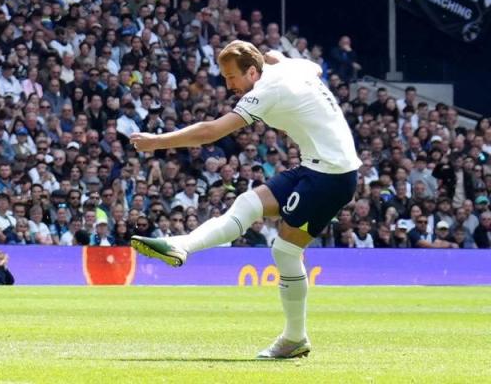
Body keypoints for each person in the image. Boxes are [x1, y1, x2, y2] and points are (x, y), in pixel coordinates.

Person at [129, 41, 361, 359]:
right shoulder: (292, 67)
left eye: (232, 77)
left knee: (285, 249)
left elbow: (210, 131)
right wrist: (264, 55)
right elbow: (307, 65)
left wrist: (157, 142)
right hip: (316, 166)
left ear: (253, 72)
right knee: (247, 203)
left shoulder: (264, 91)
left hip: (331, 176)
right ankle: (181, 245)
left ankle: (295, 338)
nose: (229, 86)